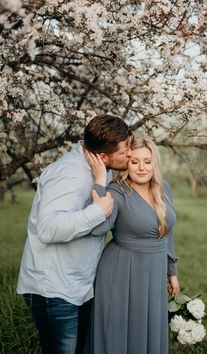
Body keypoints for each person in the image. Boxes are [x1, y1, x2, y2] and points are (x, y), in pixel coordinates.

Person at [16, 114, 133, 354]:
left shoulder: (102, 170)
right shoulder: (69, 174)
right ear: (102, 156)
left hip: (79, 285)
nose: (130, 154)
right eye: (125, 151)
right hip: (55, 290)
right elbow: (48, 229)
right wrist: (97, 212)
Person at [84, 137, 180, 354]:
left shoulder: (164, 188)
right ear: (127, 163)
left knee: (149, 328)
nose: (141, 168)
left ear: (155, 162)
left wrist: (172, 271)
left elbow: (167, 233)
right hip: (122, 271)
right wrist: (100, 182)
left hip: (155, 270)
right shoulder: (117, 191)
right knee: (119, 330)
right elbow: (97, 228)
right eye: (135, 161)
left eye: (147, 161)